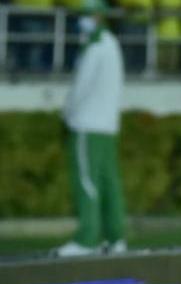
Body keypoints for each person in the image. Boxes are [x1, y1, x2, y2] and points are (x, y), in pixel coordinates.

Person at [57, 0, 127, 258]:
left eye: (86, 14)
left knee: (87, 181)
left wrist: (67, 114)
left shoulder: (95, 46)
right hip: (107, 125)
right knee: (110, 184)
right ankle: (115, 238)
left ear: (97, 16)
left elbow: (81, 87)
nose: (82, 19)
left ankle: (87, 239)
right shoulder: (112, 44)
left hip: (87, 124)